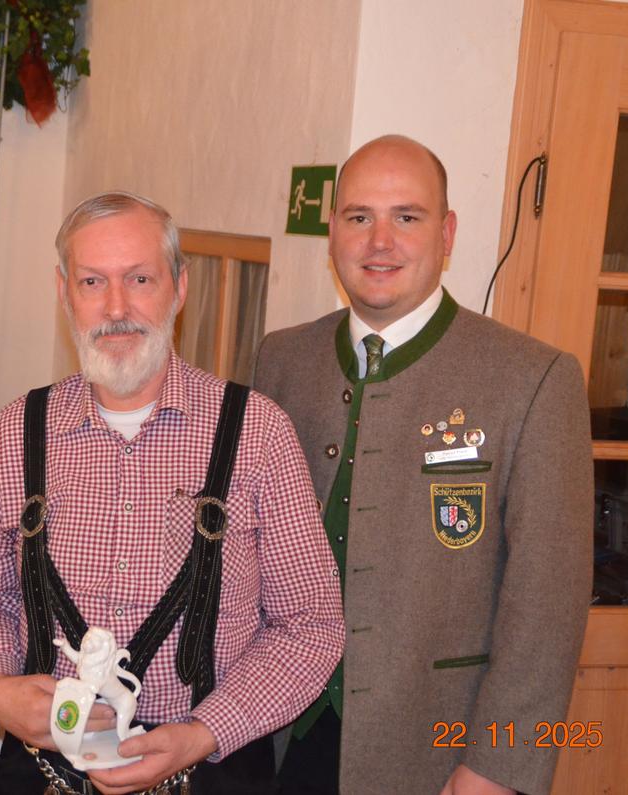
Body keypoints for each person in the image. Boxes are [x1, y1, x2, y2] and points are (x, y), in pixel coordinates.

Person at [0, 191, 345, 794]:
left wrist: (206, 730)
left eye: (139, 279)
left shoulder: (257, 432)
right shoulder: (18, 430)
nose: (116, 308)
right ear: (64, 292)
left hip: (209, 769)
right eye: (92, 282)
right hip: (42, 769)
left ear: (179, 287)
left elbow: (311, 625)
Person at [254, 135, 592, 795]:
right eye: (359, 217)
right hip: (276, 737)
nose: (379, 241)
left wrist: (497, 766)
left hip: (436, 754)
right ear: (333, 232)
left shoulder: (533, 378)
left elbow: (548, 607)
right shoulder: (281, 358)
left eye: (406, 216)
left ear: (447, 233)